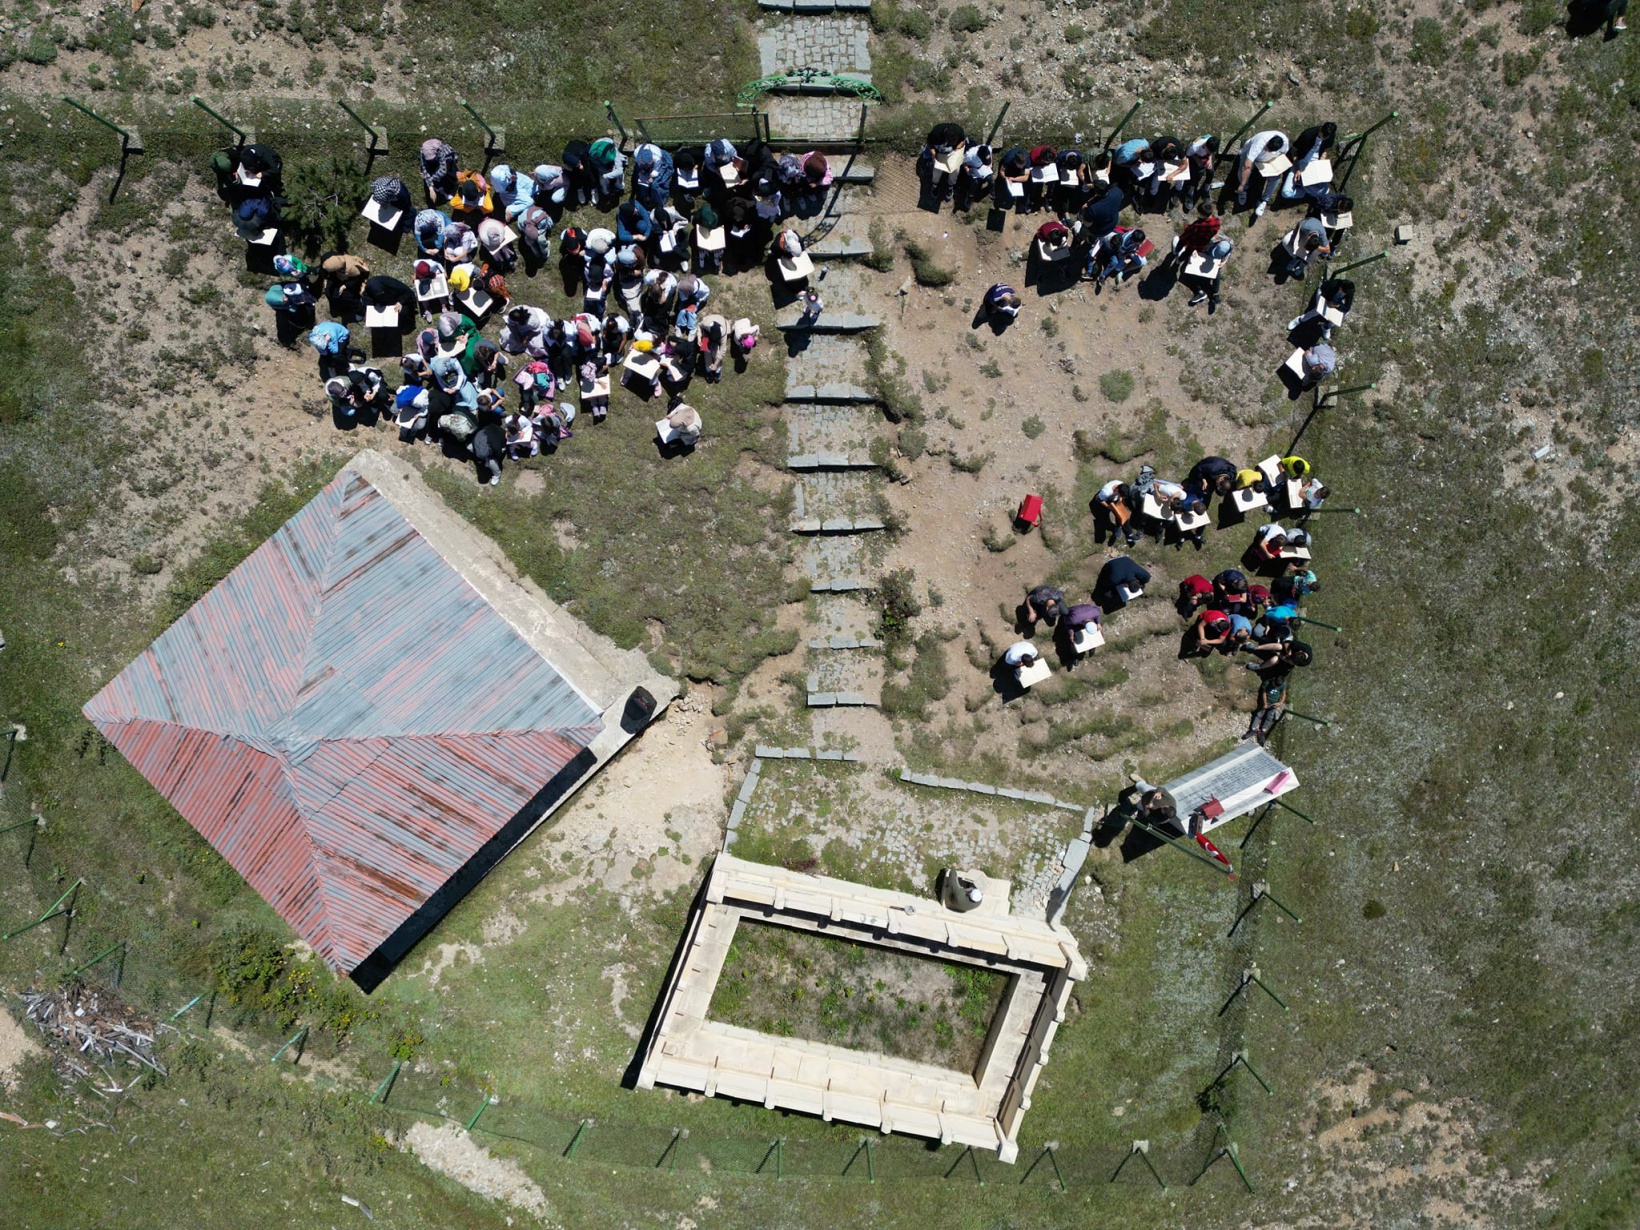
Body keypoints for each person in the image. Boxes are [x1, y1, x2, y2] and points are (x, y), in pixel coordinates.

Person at [1234, 129, 1289, 217]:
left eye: (1270, 151)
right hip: (1252, 157)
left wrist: (1277, 168)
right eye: (1266, 148)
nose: (1267, 150)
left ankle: (1264, 200)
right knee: (1243, 168)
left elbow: (1283, 154)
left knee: (1276, 178)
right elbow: (1248, 164)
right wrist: (1242, 184)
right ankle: (1244, 189)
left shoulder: (1284, 141)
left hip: (1268, 161)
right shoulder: (1259, 143)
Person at [1281, 122, 1337, 202]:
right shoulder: (1307, 135)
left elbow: (1325, 150)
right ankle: (1304, 190)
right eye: (1321, 136)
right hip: (1300, 162)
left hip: (1315, 164)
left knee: (1325, 190)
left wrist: (1322, 160)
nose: (1322, 139)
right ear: (1321, 129)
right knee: (1286, 193)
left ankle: (1303, 185)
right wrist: (1297, 168)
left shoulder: (1330, 136)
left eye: (1325, 138)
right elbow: (1294, 151)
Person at [1287, 277, 1354, 338]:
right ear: (1340, 286)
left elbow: (1347, 308)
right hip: (1324, 295)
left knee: (1346, 313)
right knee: (1317, 310)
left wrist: (1337, 306)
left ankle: (1326, 327)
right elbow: (1324, 294)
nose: (1342, 293)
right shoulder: (1334, 284)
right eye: (1341, 290)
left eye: (1344, 293)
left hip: (1334, 302)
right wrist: (1329, 304)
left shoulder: (1349, 292)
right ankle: (1300, 319)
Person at [923, 122, 967, 201]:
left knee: (955, 170)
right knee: (937, 170)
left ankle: (950, 186)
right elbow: (929, 143)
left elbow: (962, 141)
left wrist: (957, 148)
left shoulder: (958, 130)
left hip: (953, 154)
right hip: (939, 154)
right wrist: (933, 154)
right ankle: (935, 185)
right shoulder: (936, 133)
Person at [1242, 672, 1288, 746]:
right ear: (1273, 680)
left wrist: (1280, 703)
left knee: (1269, 717)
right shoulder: (1267, 682)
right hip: (1265, 701)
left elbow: (1284, 694)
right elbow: (1264, 693)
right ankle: (1252, 729)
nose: (1275, 686)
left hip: (1274, 703)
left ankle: (1262, 731)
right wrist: (1265, 703)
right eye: (1274, 685)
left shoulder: (1283, 684)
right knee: (1259, 714)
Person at [1282, 213, 1332, 280]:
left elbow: (1328, 250)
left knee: (1318, 251)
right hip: (1303, 233)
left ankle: (1303, 262)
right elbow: (1298, 225)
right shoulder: (1304, 227)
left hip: (1313, 241)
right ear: (1308, 237)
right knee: (1293, 247)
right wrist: (1294, 239)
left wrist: (1316, 247)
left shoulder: (1322, 234)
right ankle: (1296, 259)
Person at [1094, 478, 1138, 546]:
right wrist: (1107, 506)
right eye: (1120, 495)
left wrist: (1120, 498)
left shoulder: (1120, 484)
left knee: (1122, 514)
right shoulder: (1105, 492)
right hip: (1108, 500)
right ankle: (1120, 529)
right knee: (1117, 514)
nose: (1121, 497)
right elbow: (1098, 498)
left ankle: (1126, 532)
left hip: (1114, 499)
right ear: (1117, 490)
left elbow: (1120, 496)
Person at [1181, 135, 1218, 211]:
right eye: (1209, 150)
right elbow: (1188, 155)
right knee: (1199, 172)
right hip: (1194, 157)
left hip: (1204, 157)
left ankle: (1206, 189)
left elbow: (1210, 153)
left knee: (1211, 171)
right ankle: (1190, 191)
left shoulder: (1210, 140)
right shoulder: (1194, 146)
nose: (1210, 152)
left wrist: (1209, 160)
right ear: (1205, 145)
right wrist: (1198, 161)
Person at [420, 138, 459, 206]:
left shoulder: (442, 152)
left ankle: (451, 191)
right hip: (437, 161)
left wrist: (430, 179)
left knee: (450, 175)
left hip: (447, 161)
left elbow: (443, 171)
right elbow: (424, 167)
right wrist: (431, 188)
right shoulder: (423, 151)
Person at [956, 142, 994, 210]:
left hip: (984, 166)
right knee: (974, 183)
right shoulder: (970, 155)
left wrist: (990, 162)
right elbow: (963, 162)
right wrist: (967, 169)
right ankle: (969, 197)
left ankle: (992, 191)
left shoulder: (987, 148)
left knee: (991, 179)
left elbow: (990, 153)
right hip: (974, 168)